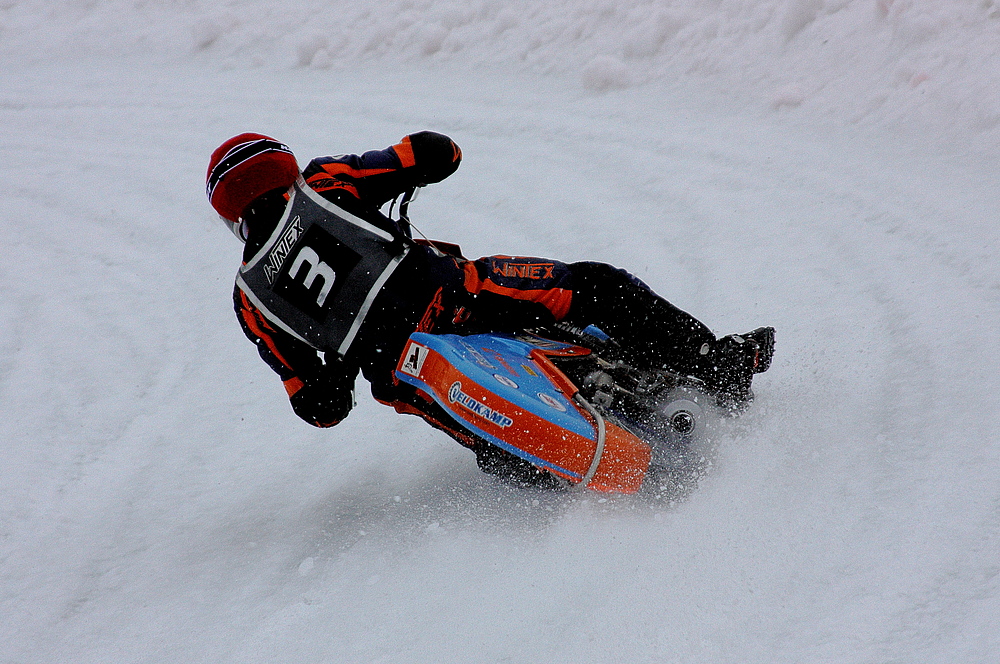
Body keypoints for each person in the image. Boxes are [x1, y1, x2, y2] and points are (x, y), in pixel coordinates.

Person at [206, 131, 774, 486]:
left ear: (232, 215)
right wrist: (425, 160)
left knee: (495, 450)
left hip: (415, 373)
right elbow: (434, 152)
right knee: (594, 286)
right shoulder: (325, 182)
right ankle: (715, 366)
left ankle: (569, 468)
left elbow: (321, 407)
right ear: (283, 166)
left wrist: (336, 365)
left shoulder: (250, 299)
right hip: (463, 299)